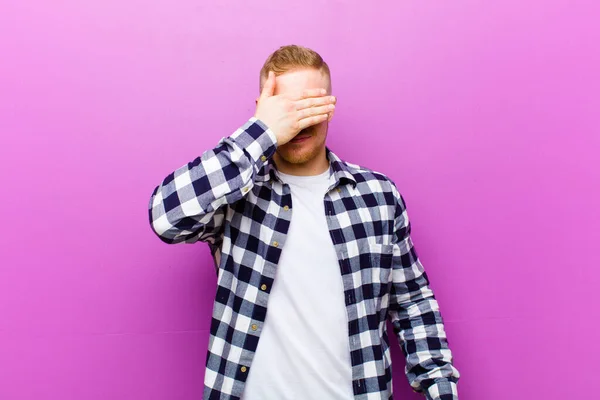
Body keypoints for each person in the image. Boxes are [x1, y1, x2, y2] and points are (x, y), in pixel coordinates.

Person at [148, 45, 460, 400]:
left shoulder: (378, 196)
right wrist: (260, 132)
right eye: (286, 109)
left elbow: (412, 302)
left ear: (330, 106)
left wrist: (441, 389)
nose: (299, 121)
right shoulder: (234, 194)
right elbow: (165, 217)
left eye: (310, 105)